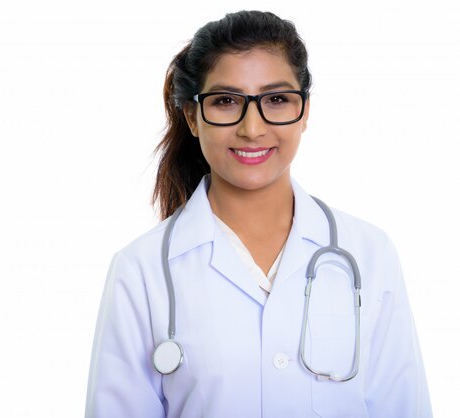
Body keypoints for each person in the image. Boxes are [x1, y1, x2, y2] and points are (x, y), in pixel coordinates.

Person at [85, 10, 432, 418]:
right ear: (193, 117)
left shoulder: (369, 254)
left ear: (304, 112)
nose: (252, 128)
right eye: (227, 101)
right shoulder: (140, 270)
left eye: (277, 99)